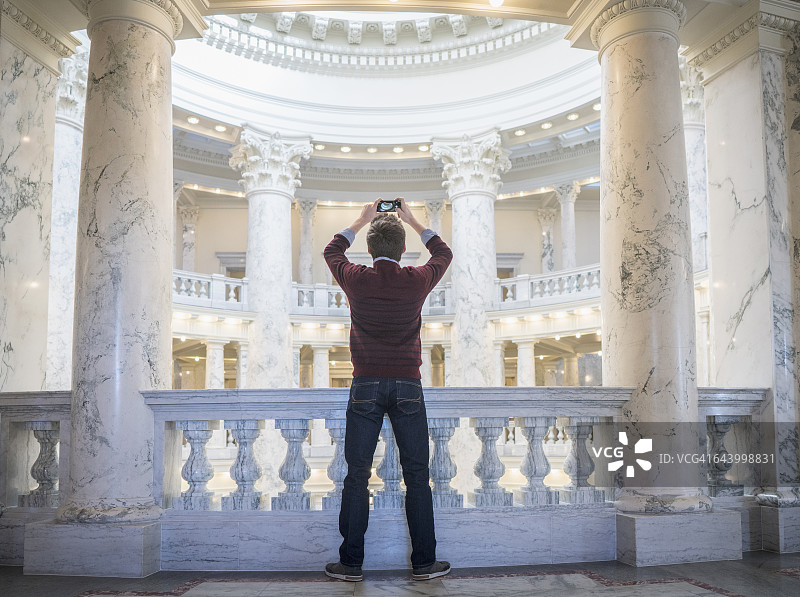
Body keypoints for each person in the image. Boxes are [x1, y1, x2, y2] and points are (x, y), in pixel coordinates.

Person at [323, 198, 453, 582]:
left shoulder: (357, 277)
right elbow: (443, 253)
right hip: (408, 384)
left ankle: (351, 564)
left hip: (365, 383)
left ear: (369, 247)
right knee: (417, 474)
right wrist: (413, 220)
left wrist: (362, 219)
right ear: (402, 250)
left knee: (357, 475)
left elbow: (332, 250)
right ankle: (424, 563)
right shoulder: (416, 280)